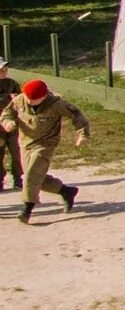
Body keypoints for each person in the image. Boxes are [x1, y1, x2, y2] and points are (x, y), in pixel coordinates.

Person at [3, 79, 85, 223]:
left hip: (46, 143)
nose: (28, 101)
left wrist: (83, 134)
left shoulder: (56, 104)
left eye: (33, 99)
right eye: (27, 98)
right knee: (33, 175)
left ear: (44, 96)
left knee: (33, 173)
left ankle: (27, 208)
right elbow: (7, 113)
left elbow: (77, 115)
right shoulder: (20, 100)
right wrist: (7, 122)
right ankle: (66, 191)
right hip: (26, 143)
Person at [0, 60, 21, 191]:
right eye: (1, 69)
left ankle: (18, 179)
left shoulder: (12, 83)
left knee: (16, 152)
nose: (4, 72)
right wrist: (8, 97)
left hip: (12, 124)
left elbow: (21, 98)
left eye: (5, 69)